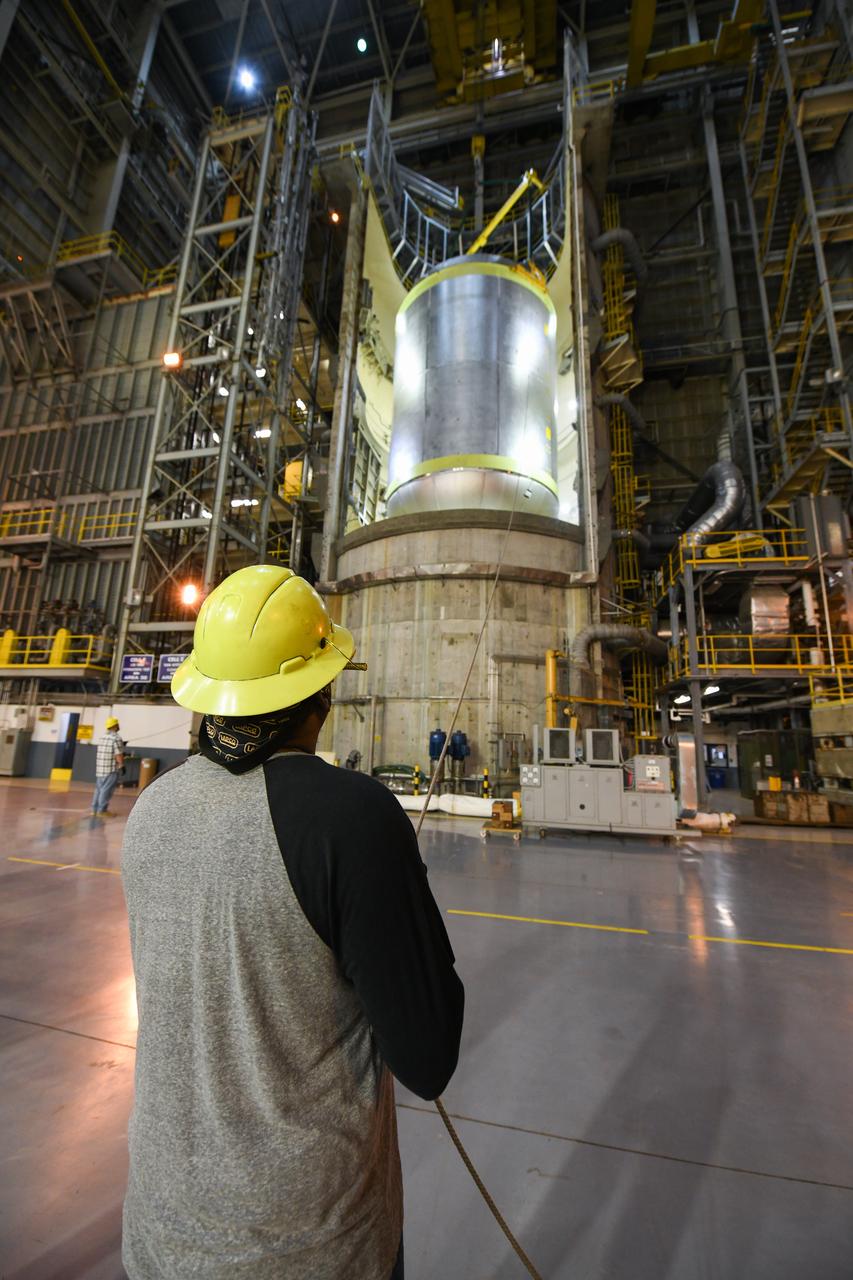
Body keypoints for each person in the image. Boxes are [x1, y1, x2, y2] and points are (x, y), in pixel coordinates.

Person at [121, 565, 464, 1280]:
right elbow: (427, 1057)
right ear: (321, 690)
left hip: (161, 1235)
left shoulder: (151, 809)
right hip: (309, 1246)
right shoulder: (352, 818)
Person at [91, 716, 124, 816]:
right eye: (117, 724)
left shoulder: (103, 737)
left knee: (98, 790)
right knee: (106, 790)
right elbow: (118, 754)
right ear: (115, 726)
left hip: (100, 769)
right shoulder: (117, 738)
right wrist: (121, 765)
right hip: (110, 769)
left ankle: (94, 810)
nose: (118, 726)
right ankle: (102, 810)